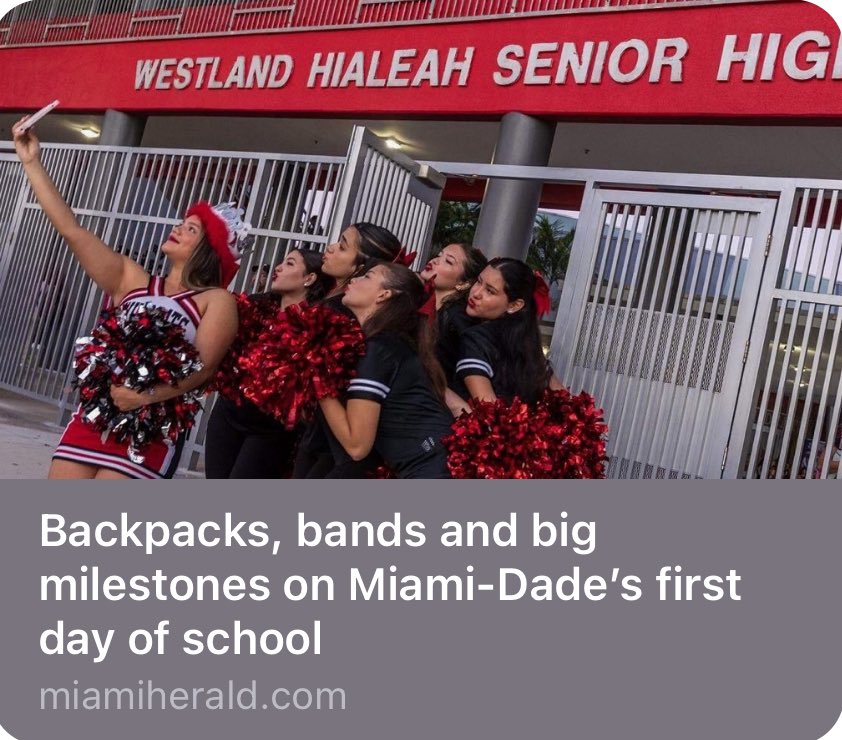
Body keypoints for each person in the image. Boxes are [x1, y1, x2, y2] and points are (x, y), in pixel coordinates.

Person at [13, 119, 240, 479]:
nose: (178, 227)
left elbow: (204, 368)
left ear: (209, 251)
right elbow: (72, 230)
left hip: (151, 428)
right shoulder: (131, 278)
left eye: (192, 229)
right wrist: (31, 162)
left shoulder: (216, 301)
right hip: (97, 414)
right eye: (182, 222)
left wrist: (143, 397)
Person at [317, 262, 453, 478]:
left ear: (384, 295)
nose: (354, 279)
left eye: (367, 276)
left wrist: (317, 377)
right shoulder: (391, 344)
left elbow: (357, 446)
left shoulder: (379, 349)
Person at [205, 248, 330, 478]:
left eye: (290, 264)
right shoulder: (255, 306)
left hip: (271, 430)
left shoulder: (316, 324)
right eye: (281, 262)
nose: (278, 268)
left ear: (309, 278)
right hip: (228, 414)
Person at [293, 222, 403, 478]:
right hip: (321, 435)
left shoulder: (341, 314)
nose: (330, 249)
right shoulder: (334, 299)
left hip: (333, 441)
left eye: (342, 247)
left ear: (360, 266)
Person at [454, 257, 560, 405]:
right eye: (478, 281)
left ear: (514, 305)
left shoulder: (475, 339)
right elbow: (568, 406)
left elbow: (488, 411)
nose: (476, 293)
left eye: (490, 291)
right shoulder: (529, 346)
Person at [419, 242, 487, 415]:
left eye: (448, 261)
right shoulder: (428, 306)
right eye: (439, 254)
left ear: (463, 283)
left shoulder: (458, 317)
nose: (435, 260)